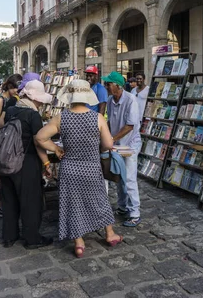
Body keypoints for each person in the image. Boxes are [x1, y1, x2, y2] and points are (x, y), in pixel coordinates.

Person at [37, 79, 123, 257]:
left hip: (70, 168)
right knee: (100, 199)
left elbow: (40, 138)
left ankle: (79, 243)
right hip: (91, 166)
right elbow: (108, 144)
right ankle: (109, 234)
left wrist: (56, 149)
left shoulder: (62, 117)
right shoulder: (97, 118)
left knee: (73, 203)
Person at [0, 80, 53, 249]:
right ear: (34, 98)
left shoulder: (10, 110)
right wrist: (46, 163)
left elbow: (1, 126)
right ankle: (32, 238)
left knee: (9, 199)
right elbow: (39, 142)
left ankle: (9, 236)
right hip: (26, 162)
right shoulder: (33, 115)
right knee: (30, 201)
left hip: (7, 160)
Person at [102, 71, 142, 227]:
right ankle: (122, 206)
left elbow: (130, 126)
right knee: (118, 175)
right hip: (117, 144)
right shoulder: (111, 100)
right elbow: (110, 122)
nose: (106, 86)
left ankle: (135, 213)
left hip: (130, 144)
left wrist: (111, 139)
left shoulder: (131, 100)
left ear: (117, 86)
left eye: (108, 84)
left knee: (130, 178)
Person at [0, 73, 22, 216]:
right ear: (9, 86)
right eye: (15, 87)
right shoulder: (0, 99)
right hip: (0, 137)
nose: (17, 90)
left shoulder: (14, 99)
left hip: (9, 137)